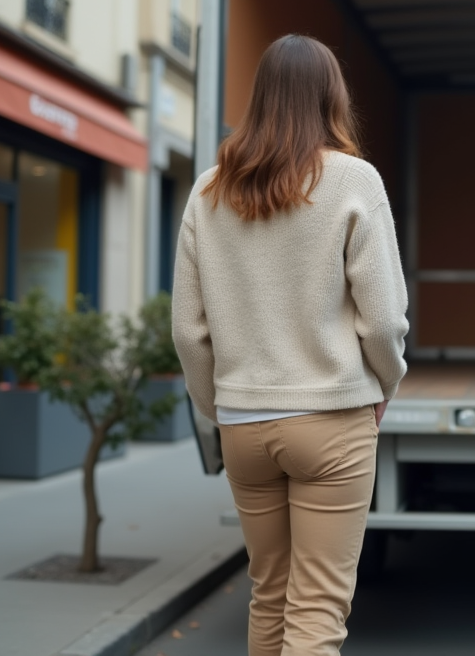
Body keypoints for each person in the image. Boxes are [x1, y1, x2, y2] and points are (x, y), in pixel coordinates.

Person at [171, 33, 409, 656]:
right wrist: (386, 384)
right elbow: (382, 320)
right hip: (331, 417)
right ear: (332, 97)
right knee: (318, 609)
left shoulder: (208, 190)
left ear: (262, 99)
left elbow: (187, 328)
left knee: (269, 595)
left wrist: (219, 405)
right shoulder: (354, 179)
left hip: (243, 424)